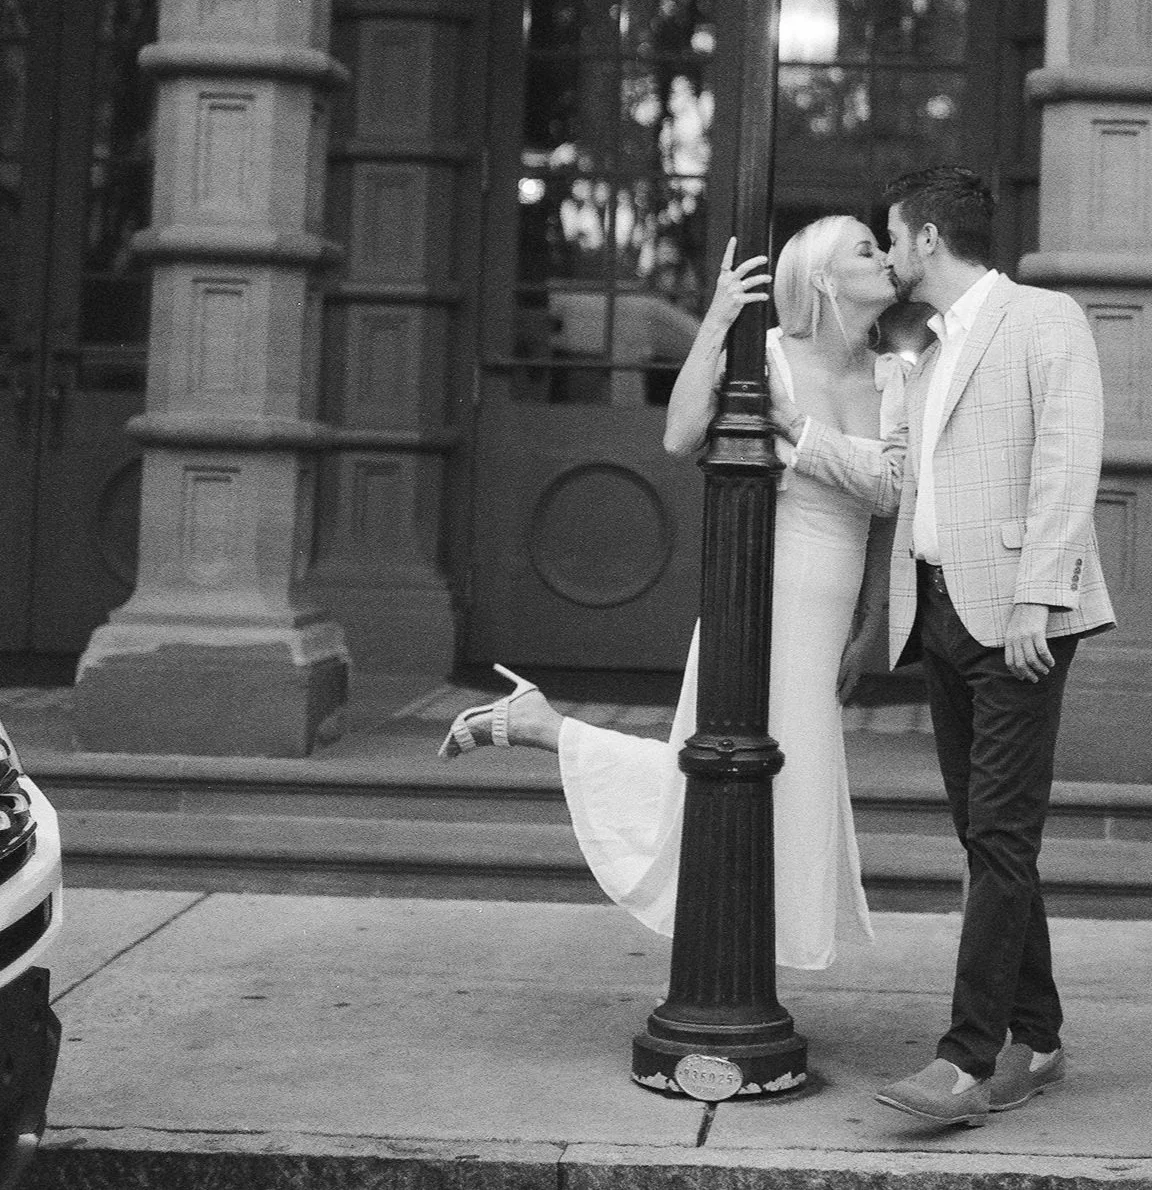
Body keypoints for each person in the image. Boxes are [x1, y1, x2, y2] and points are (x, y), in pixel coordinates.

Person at [438, 216, 908, 972]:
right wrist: (720, 317)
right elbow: (680, 434)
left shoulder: (896, 375)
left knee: (794, 783)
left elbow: (890, 507)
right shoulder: (771, 362)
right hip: (760, 598)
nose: (885, 257)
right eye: (865, 248)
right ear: (821, 277)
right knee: (712, 774)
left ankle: (746, 959)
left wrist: (871, 620)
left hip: (832, 610)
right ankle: (545, 730)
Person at [870, 165, 1115, 1128]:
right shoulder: (925, 350)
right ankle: (1040, 1036)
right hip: (939, 611)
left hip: (1017, 618)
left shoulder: (1044, 319)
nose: (887, 255)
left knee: (1001, 840)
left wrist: (1036, 600)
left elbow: (1067, 458)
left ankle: (966, 1060)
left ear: (928, 239)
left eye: (892, 237)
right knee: (988, 837)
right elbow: (910, 480)